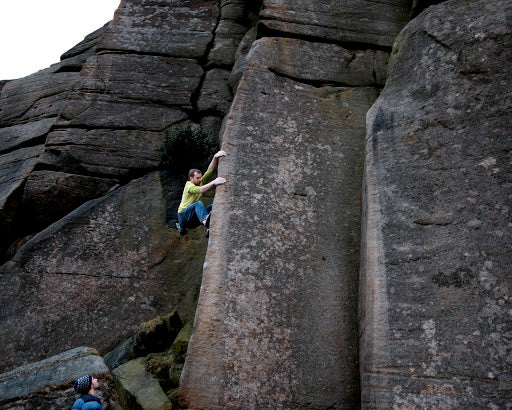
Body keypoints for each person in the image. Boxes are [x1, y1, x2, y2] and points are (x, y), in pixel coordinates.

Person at [176, 150, 227, 237]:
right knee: (198, 204)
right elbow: (201, 190)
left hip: (192, 222)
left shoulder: (199, 182)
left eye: (200, 177)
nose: (200, 179)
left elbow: (210, 170)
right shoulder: (189, 186)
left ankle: (209, 228)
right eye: (197, 178)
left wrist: (215, 157)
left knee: (213, 206)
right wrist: (214, 182)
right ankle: (205, 221)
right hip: (183, 217)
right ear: (191, 178)